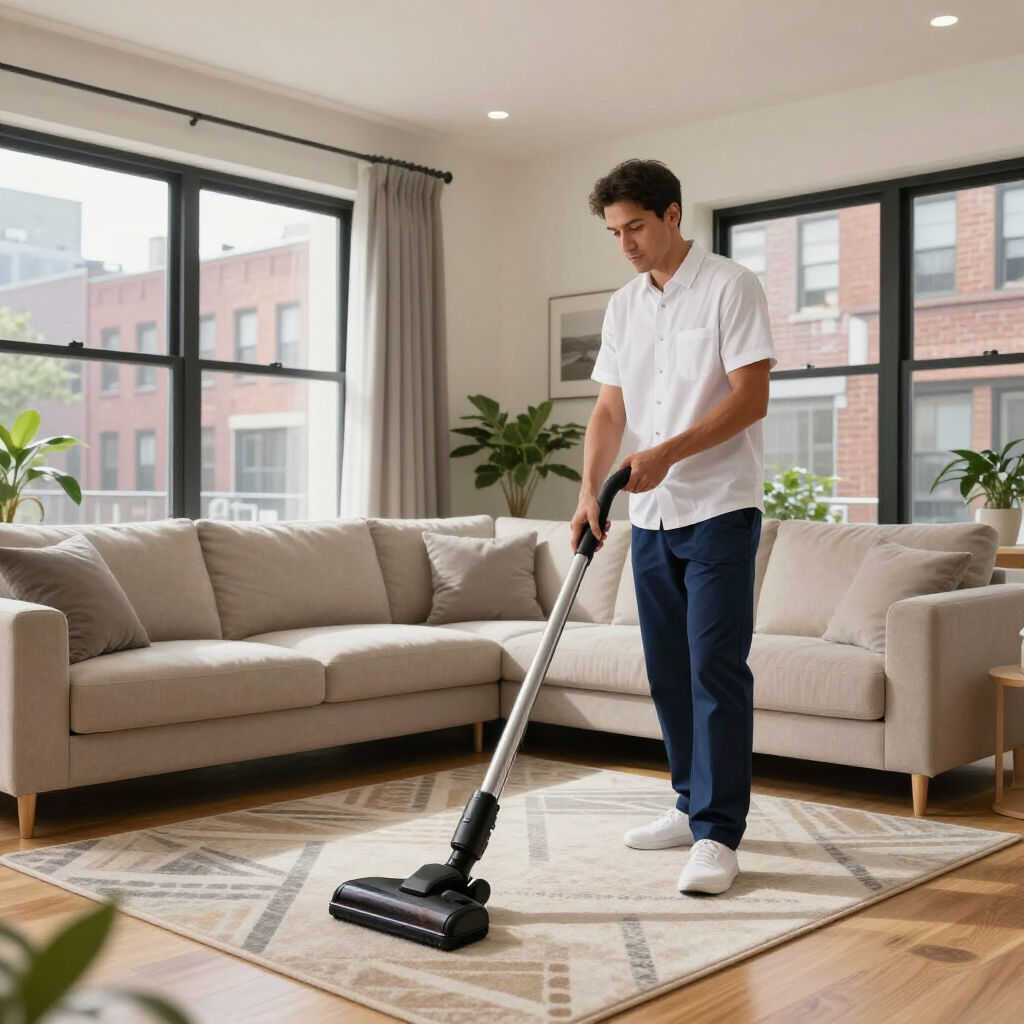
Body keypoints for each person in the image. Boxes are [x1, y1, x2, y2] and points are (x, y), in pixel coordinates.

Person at [571, 159, 775, 895]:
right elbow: (608, 411)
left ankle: (720, 834)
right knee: (666, 671)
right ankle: (690, 805)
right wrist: (591, 489)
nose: (624, 242)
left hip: (719, 508)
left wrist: (666, 453)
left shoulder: (730, 286)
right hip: (650, 515)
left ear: (673, 215)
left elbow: (750, 398)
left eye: (634, 227)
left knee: (715, 668)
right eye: (613, 232)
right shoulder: (625, 305)